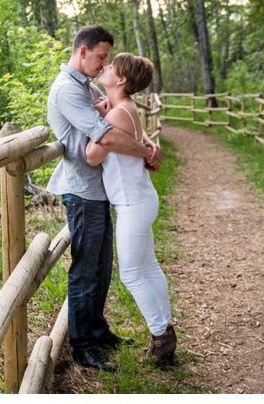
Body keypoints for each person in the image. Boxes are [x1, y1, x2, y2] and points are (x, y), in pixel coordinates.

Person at [47, 25, 162, 372]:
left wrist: (146, 143)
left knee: (101, 267)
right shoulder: (67, 89)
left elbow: (120, 116)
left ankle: (98, 331)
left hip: (102, 192)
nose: (103, 64)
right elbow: (106, 137)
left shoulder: (88, 86)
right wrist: (144, 151)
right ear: (83, 52)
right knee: (85, 271)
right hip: (82, 191)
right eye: (101, 57)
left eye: (108, 59)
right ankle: (83, 344)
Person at [85, 52, 176, 365]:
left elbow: (91, 156)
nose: (105, 68)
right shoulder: (125, 108)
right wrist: (104, 112)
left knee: (133, 274)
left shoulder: (117, 113)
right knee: (148, 267)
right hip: (140, 199)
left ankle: (161, 336)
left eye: (110, 67)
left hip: (132, 204)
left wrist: (97, 117)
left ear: (120, 80)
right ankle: (164, 330)